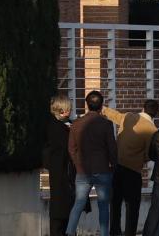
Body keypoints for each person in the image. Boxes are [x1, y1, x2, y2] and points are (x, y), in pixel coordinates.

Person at [67, 90, 117, 236]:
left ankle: (69, 232)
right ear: (101, 106)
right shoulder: (106, 124)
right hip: (102, 169)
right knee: (103, 206)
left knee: (78, 204)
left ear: (87, 105)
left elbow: (71, 148)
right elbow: (112, 148)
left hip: (83, 171)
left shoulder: (76, 124)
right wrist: (113, 165)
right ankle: (104, 234)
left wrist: (78, 164)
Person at [110, 100, 159, 235]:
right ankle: (129, 233)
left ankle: (114, 232)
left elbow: (113, 115)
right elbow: (149, 154)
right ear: (155, 113)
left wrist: (100, 108)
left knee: (115, 203)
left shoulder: (128, 116)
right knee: (132, 208)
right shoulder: (152, 130)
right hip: (133, 171)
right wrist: (140, 159)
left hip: (117, 167)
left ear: (143, 109)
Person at [44, 96, 78, 236]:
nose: (70, 110)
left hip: (66, 172)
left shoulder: (66, 124)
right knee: (60, 212)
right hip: (60, 172)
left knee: (66, 209)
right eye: (68, 108)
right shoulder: (56, 128)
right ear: (62, 110)